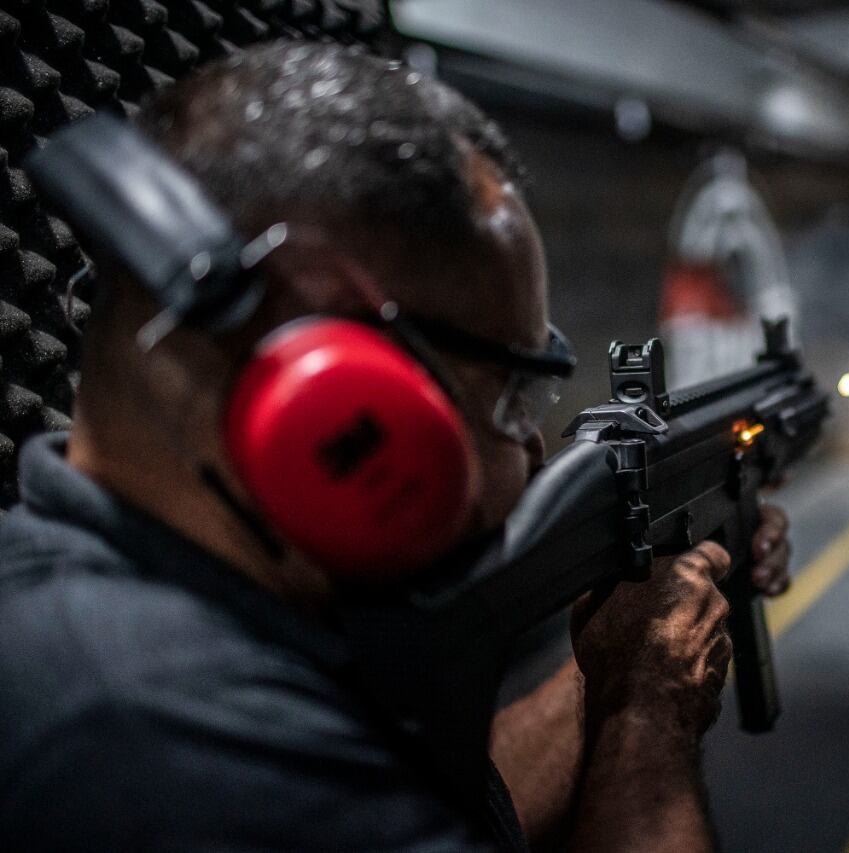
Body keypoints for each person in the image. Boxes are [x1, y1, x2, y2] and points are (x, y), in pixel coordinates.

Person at [0, 42, 793, 852]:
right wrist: (652, 708)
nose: (523, 457)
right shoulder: (152, 738)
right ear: (333, 394)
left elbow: (442, 820)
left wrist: (620, 662)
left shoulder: (131, 613)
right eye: (507, 395)